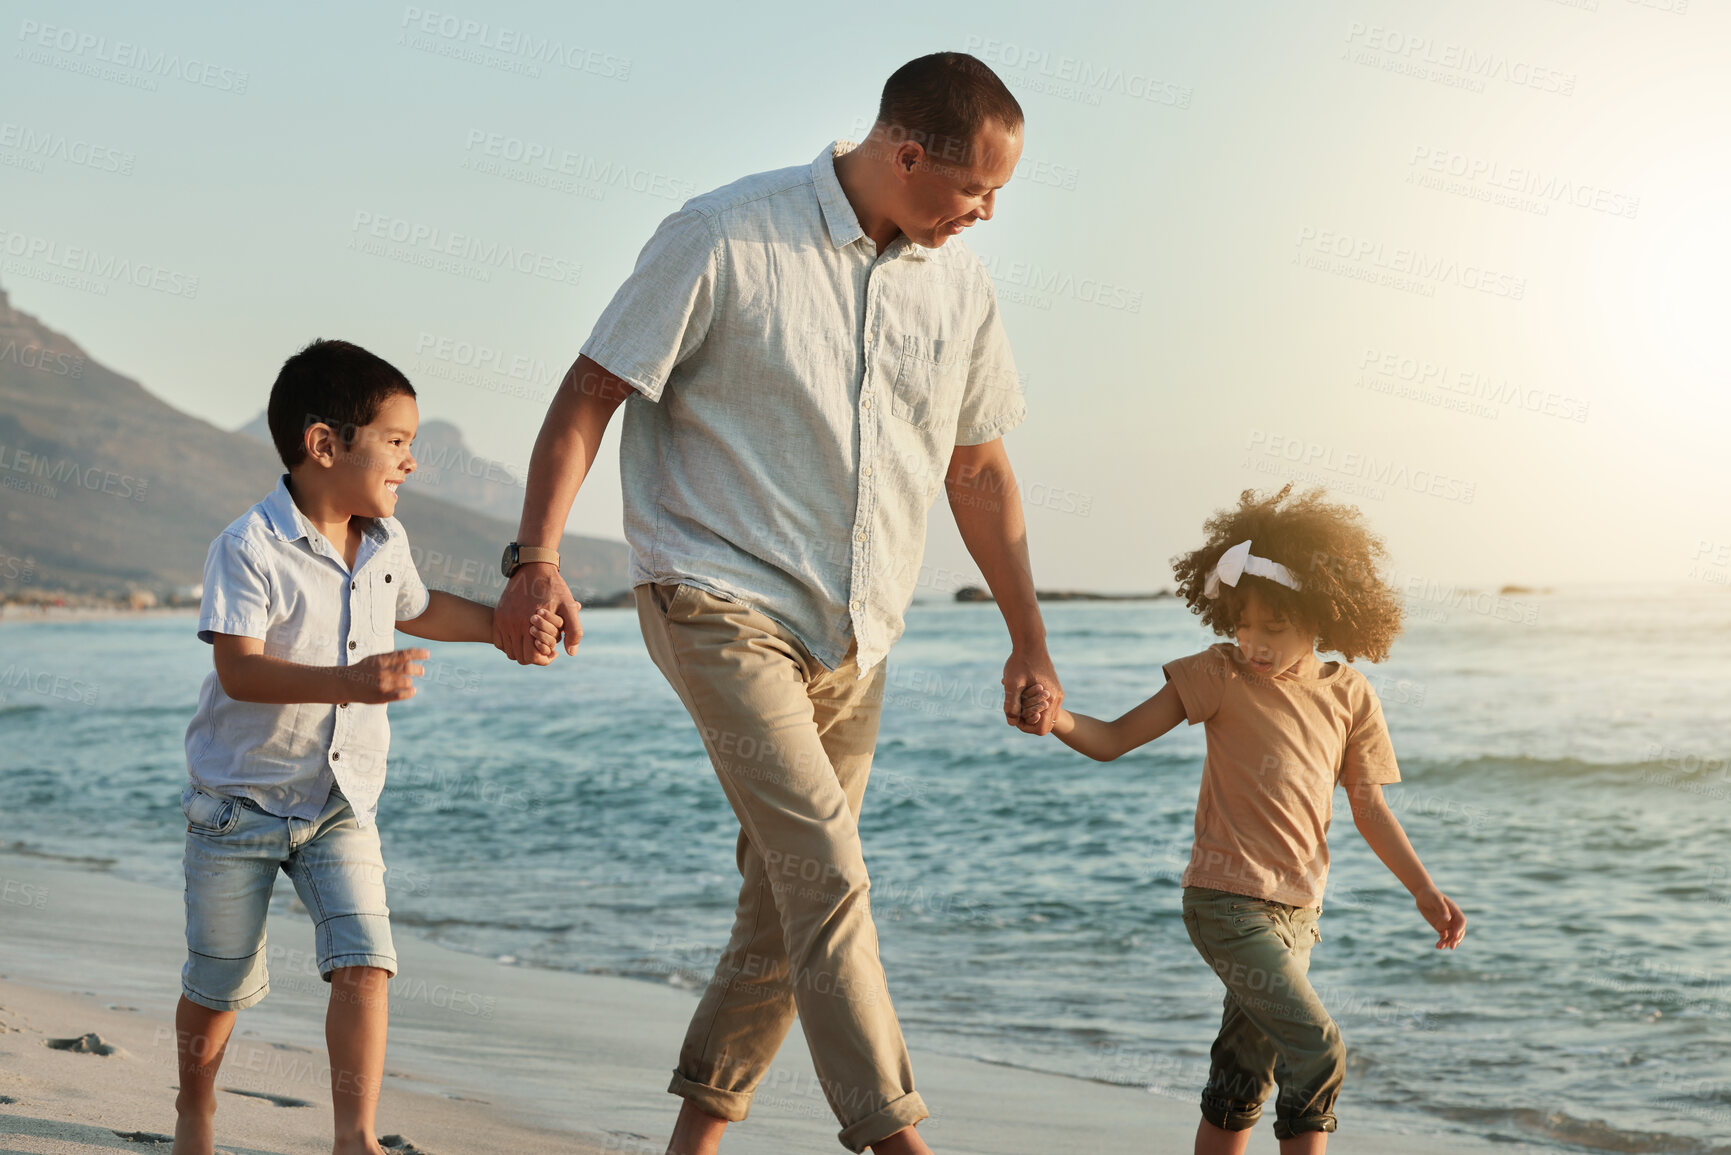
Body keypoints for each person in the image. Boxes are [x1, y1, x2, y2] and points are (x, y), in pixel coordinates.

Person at [492, 52, 1062, 1155]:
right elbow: (589, 391)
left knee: (784, 898)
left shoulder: (960, 285)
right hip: (715, 598)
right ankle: (898, 1140)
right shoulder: (722, 236)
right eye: (974, 191)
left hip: (859, 633)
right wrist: (537, 559)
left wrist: (1028, 640)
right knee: (833, 877)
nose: (985, 215)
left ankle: (694, 1142)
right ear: (906, 154)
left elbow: (977, 470)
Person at [171, 339, 560, 1155]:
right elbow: (239, 672)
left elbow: (419, 609)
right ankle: (195, 1109)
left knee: (366, 960)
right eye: (396, 441)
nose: (411, 462)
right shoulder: (248, 546)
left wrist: (505, 627)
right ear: (324, 445)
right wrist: (350, 682)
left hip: (340, 803)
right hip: (235, 804)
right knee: (219, 983)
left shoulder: (386, 541)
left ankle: (355, 1136)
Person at [1020, 485, 1467, 1154]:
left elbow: (1368, 806)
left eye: (1272, 627)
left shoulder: (1348, 694)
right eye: (1242, 623)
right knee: (1318, 1052)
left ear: (1317, 615)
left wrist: (1422, 888)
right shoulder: (1218, 674)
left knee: (1240, 1078)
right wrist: (1051, 715)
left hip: (1298, 914)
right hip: (1225, 902)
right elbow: (1112, 737)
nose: (1252, 642)